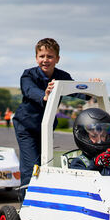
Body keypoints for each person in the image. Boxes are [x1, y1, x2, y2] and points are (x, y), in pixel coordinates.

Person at [12, 38, 74, 195]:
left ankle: (43, 198)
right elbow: (29, 90)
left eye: (50, 56)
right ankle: (26, 202)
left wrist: (91, 86)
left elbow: (77, 90)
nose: (45, 60)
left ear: (57, 59)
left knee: (46, 163)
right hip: (26, 126)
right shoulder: (28, 75)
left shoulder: (62, 76)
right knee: (32, 165)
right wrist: (44, 95)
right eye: (42, 56)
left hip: (45, 127)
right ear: (36, 58)